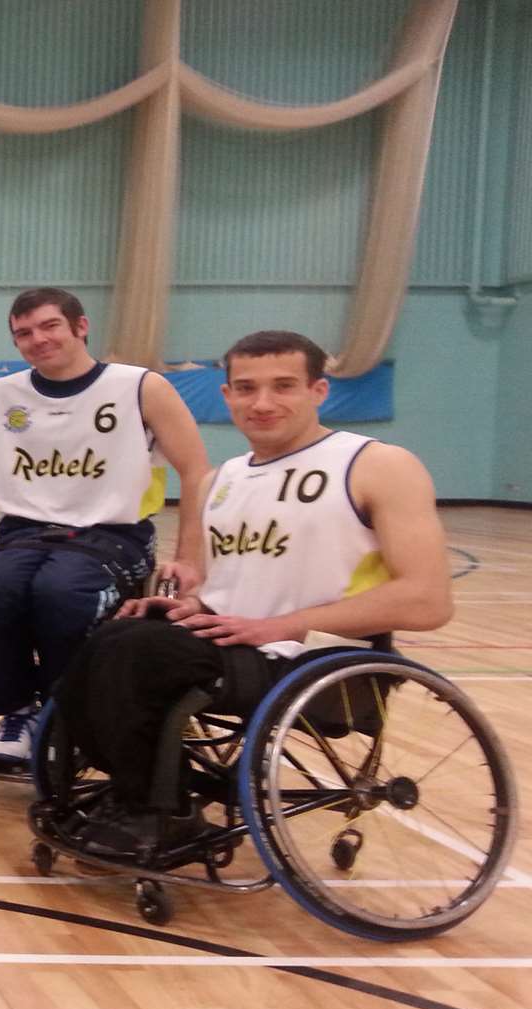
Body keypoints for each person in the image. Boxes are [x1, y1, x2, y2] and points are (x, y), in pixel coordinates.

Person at [55, 330, 454, 848]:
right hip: (240, 645)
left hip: (319, 658)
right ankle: (147, 792)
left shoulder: (377, 465)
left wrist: (282, 624)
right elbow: (242, 583)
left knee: (135, 655)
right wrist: (188, 605)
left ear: (318, 391)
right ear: (227, 397)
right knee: (111, 633)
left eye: (283, 386)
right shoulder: (221, 480)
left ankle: (160, 808)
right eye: (246, 389)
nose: (262, 403)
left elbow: (428, 599)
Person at [0, 287, 212, 766]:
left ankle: (65, 709)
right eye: (24, 333)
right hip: (25, 532)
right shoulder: (0, 395)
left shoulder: (140, 387)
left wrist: (191, 556)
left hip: (111, 535)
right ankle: (18, 712)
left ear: (80, 326)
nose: (37, 339)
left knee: (61, 592)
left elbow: (196, 469)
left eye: (49, 326)